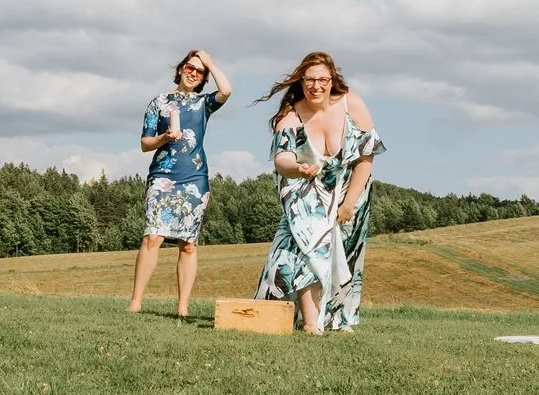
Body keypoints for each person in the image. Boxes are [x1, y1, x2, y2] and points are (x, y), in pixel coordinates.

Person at [254, 50, 385, 334]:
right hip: (306, 193)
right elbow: (281, 160)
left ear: (332, 80)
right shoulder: (292, 115)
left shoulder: (353, 105)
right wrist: (298, 168)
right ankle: (311, 323)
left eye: (322, 80)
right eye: (310, 80)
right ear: (301, 82)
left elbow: (366, 158)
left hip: (351, 190)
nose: (316, 86)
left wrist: (349, 204)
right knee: (306, 248)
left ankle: (335, 318)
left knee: (343, 257)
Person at [127, 50, 231, 316]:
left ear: (204, 77)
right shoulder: (159, 102)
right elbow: (144, 143)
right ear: (181, 68)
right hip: (162, 177)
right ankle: (136, 302)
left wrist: (210, 62)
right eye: (190, 67)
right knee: (153, 236)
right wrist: (164, 138)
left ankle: (182, 307)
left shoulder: (203, 104)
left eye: (199, 71)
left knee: (188, 243)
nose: (193, 72)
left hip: (195, 179)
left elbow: (227, 91)